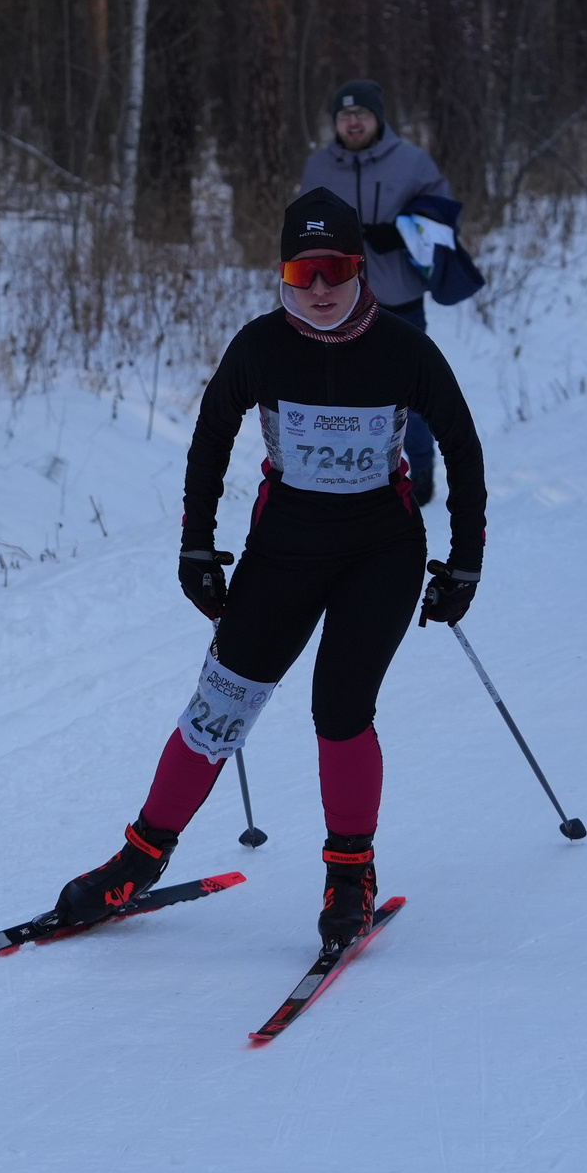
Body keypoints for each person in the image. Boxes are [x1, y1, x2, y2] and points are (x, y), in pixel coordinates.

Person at [50, 189, 486, 954]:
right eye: (300, 270)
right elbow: (211, 437)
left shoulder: (403, 349)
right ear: (281, 272)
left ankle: (349, 876)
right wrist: (196, 546)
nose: (318, 287)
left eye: (335, 269)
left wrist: (465, 563)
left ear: (360, 269)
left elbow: (462, 447)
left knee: (340, 707)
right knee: (218, 707)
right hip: (284, 549)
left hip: (381, 552)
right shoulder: (260, 346)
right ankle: (138, 860)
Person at [299, 79, 454, 502]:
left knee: (410, 391)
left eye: (361, 114)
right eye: (344, 115)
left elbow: (443, 216)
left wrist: (403, 231)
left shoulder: (413, 162)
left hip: (400, 297)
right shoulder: (318, 166)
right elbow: (300, 226)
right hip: (335, 300)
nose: (353, 122)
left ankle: (421, 468)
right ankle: (352, 475)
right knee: (341, 395)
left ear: (378, 118)